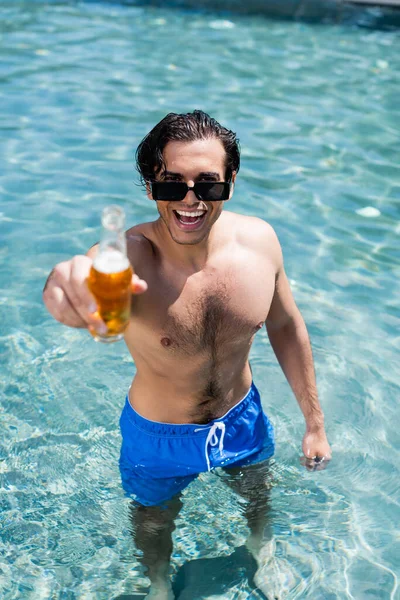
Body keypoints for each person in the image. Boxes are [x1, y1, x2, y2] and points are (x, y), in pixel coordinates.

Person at [43, 110, 331, 599]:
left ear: (231, 183)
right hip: (157, 437)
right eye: (171, 185)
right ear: (151, 186)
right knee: (154, 524)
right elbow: (82, 273)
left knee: (258, 495)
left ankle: (261, 550)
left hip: (242, 418)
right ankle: (158, 585)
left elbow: (285, 325)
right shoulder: (132, 256)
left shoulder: (260, 242)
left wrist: (315, 424)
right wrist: (65, 287)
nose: (190, 200)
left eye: (208, 185)